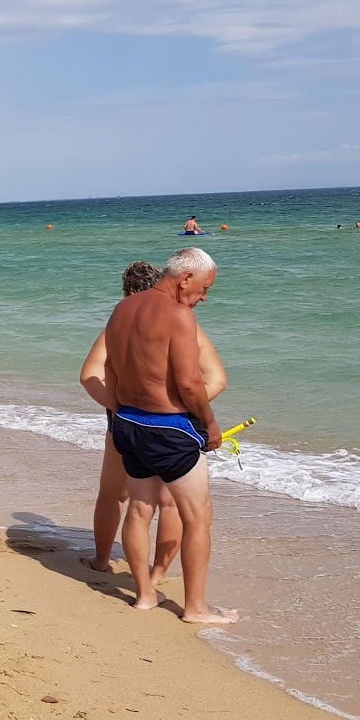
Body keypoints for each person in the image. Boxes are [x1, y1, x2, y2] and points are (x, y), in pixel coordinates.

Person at [104, 247, 236, 624]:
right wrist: (210, 425)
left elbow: (112, 372)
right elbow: (191, 383)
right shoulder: (179, 314)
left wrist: (118, 418)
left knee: (140, 509)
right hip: (167, 428)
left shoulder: (121, 309)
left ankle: (145, 596)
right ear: (185, 279)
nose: (205, 297)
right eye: (205, 288)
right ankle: (194, 608)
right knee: (199, 516)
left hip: (127, 422)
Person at [80, 261, 228, 578]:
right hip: (173, 425)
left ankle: (102, 560)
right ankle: (158, 573)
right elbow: (215, 378)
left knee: (115, 495)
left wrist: (121, 406)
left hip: (125, 422)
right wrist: (178, 407)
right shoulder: (184, 322)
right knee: (171, 504)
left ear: (129, 292)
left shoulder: (119, 322)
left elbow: (89, 375)